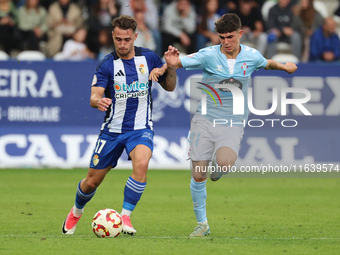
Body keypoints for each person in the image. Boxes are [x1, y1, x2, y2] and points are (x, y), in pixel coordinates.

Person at [152, 13, 297, 237]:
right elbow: (178, 62)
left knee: (225, 163)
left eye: (230, 37)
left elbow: (266, 64)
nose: (226, 42)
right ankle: (202, 225)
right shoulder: (208, 55)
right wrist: (165, 67)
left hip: (233, 120)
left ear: (240, 34)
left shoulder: (251, 55)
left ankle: (219, 169)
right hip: (205, 119)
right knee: (198, 174)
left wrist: (284, 67)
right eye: (221, 37)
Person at [61, 15, 178, 236]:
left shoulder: (149, 58)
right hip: (112, 131)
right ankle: (76, 211)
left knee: (142, 164)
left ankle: (125, 216)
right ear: (112, 37)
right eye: (118, 39)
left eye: (126, 39)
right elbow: (93, 97)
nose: (122, 44)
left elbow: (170, 87)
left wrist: (170, 68)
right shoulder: (106, 64)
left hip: (140, 128)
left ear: (135, 36)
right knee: (91, 181)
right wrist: (99, 101)